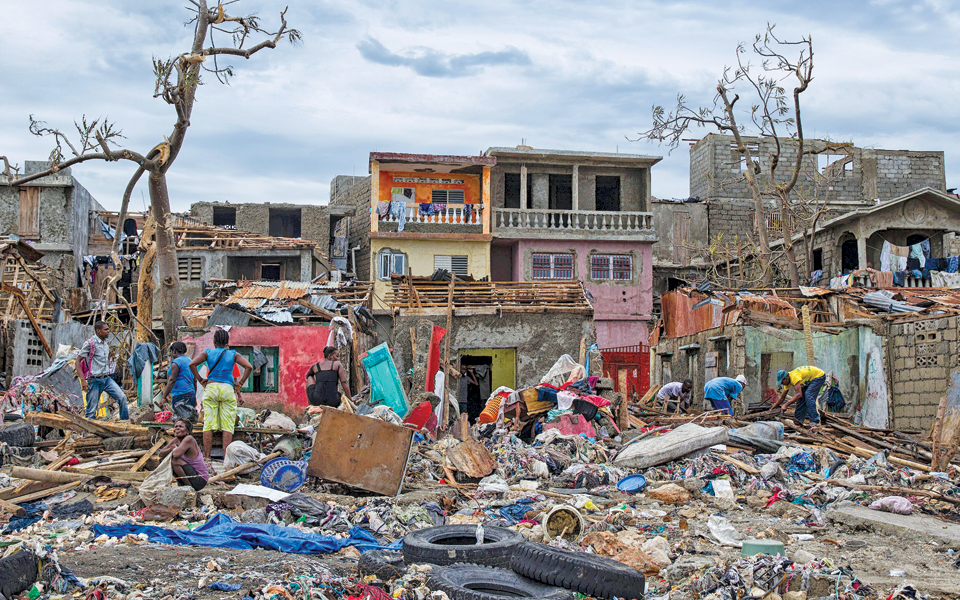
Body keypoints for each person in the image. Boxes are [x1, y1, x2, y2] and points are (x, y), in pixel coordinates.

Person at [189, 329, 253, 460]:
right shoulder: (233, 354)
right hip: (227, 389)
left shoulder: (208, 353)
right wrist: (240, 383)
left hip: (211, 388)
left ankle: (207, 456)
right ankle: (226, 457)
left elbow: (192, 364)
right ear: (227, 342)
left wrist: (201, 380)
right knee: (227, 424)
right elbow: (249, 367)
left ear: (214, 341)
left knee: (208, 423)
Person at [77, 321, 129, 421]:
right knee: (91, 409)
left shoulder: (105, 344)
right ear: (98, 331)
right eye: (106, 330)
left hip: (106, 379)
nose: (108, 332)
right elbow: (78, 362)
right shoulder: (90, 343)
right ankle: (87, 433)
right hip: (94, 380)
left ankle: (125, 424)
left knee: (122, 398)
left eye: (108, 329)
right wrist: (83, 380)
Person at [158, 418, 209, 491]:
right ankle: (182, 485)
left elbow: (176, 455)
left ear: (187, 431)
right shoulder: (176, 440)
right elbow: (161, 454)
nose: (177, 428)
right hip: (191, 477)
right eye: (176, 427)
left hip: (200, 479)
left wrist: (173, 449)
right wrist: (170, 449)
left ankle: (188, 488)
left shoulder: (189, 439)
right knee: (164, 460)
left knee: (175, 461)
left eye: (180, 427)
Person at [163, 342, 197, 423]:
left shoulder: (176, 362)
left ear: (174, 351)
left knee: (179, 420)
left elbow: (172, 380)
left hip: (180, 394)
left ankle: (181, 435)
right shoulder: (191, 361)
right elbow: (194, 380)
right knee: (188, 420)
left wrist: (164, 396)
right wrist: (194, 394)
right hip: (191, 393)